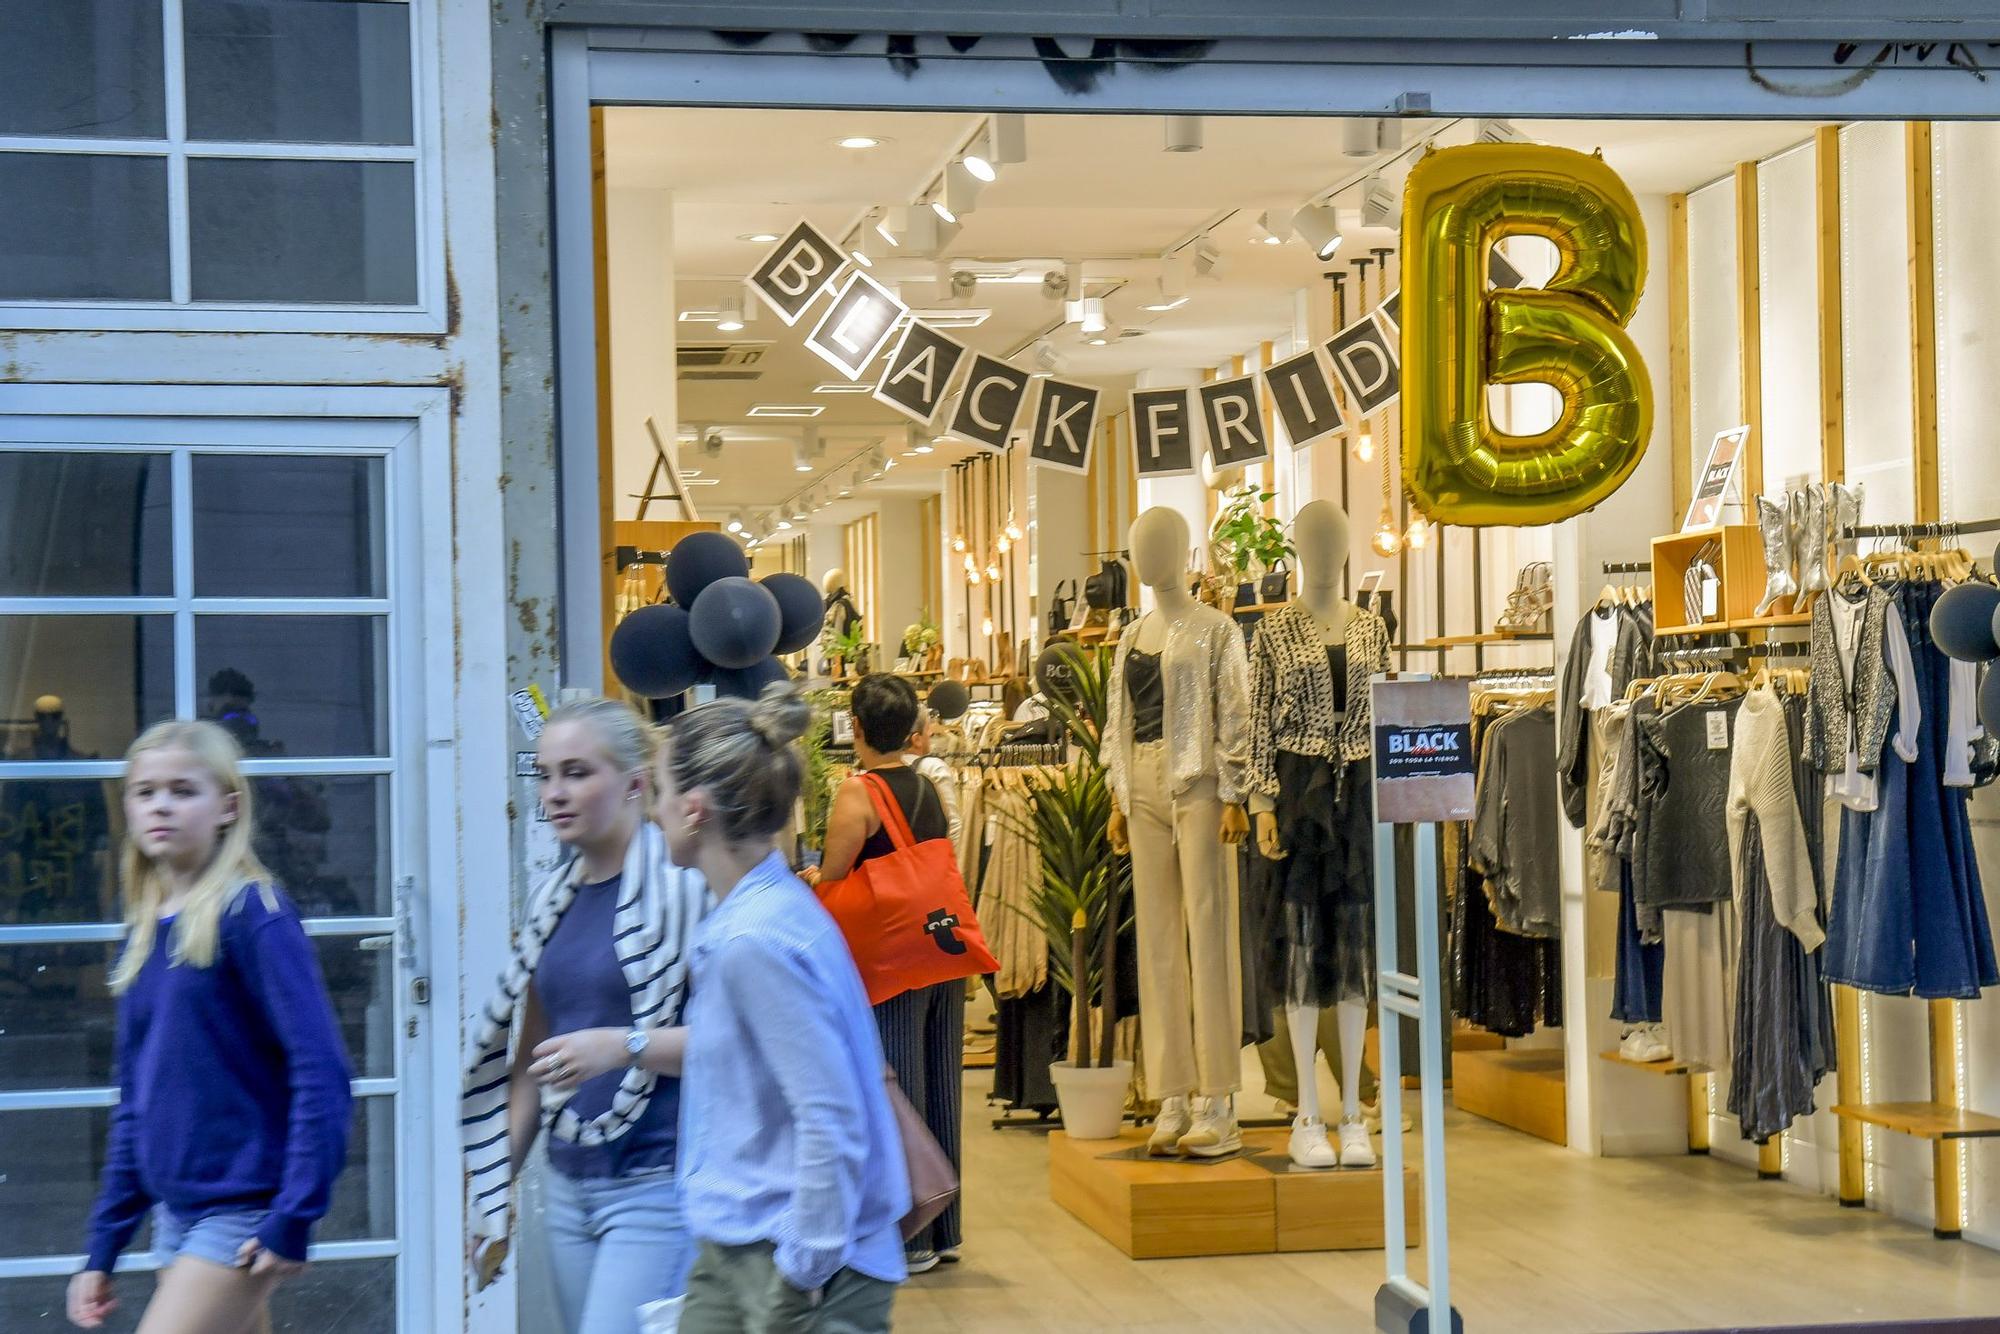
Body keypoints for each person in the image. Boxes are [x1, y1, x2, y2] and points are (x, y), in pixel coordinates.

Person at [69, 720, 353, 1334]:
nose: (161, 805)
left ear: (228, 807)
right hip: (178, 1213)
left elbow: (321, 1068)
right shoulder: (144, 931)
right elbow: (135, 1104)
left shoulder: (254, 914)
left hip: (245, 1210)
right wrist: (104, 1246)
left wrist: (294, 1214)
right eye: (145, 792)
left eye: (182, 790)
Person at [659, 684, 909, 1333]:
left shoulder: (754, 941)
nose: (650, 810)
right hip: (749, 1248)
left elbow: (831, 1115)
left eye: (657, 791)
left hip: (796, 1266)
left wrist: (802, 1269)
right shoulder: (762, 916)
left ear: (692, 810)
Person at [459, 698, 707, 1334]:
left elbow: (737, 1042)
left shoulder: (686, 889)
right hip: (569, 1181)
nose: (555, 793)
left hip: (658, 1178)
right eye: (545, 775)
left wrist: (624, 1045)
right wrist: (492, 1195)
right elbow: (532, 1068)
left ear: (634, 782)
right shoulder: (550, 900)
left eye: (577, 773)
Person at [813, 674, 963, 1272]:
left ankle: (912, 1237)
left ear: (856, 726)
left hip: (892, 958)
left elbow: (833, 874)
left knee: (898, 1083)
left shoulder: (859, 793)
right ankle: (947, 1229)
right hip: (941, 946)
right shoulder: (929, 786)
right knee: (941, 1082)